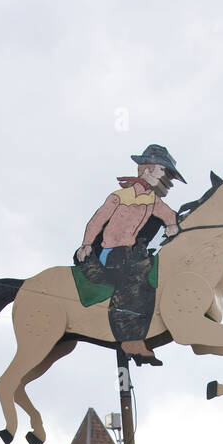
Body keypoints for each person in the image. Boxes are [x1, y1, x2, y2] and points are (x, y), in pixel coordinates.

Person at [75, 144, 185, 366]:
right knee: (134, 279)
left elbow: (168, 216)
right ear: (148, 170)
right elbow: (97, 220)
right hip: (110, 254)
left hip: (130, 253)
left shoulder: (152, 201)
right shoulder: (119, 196)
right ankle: (129, 339)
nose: (169, 182)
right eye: (166, 174)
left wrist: (173, 225)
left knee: (148, 271)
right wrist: (87, 244)